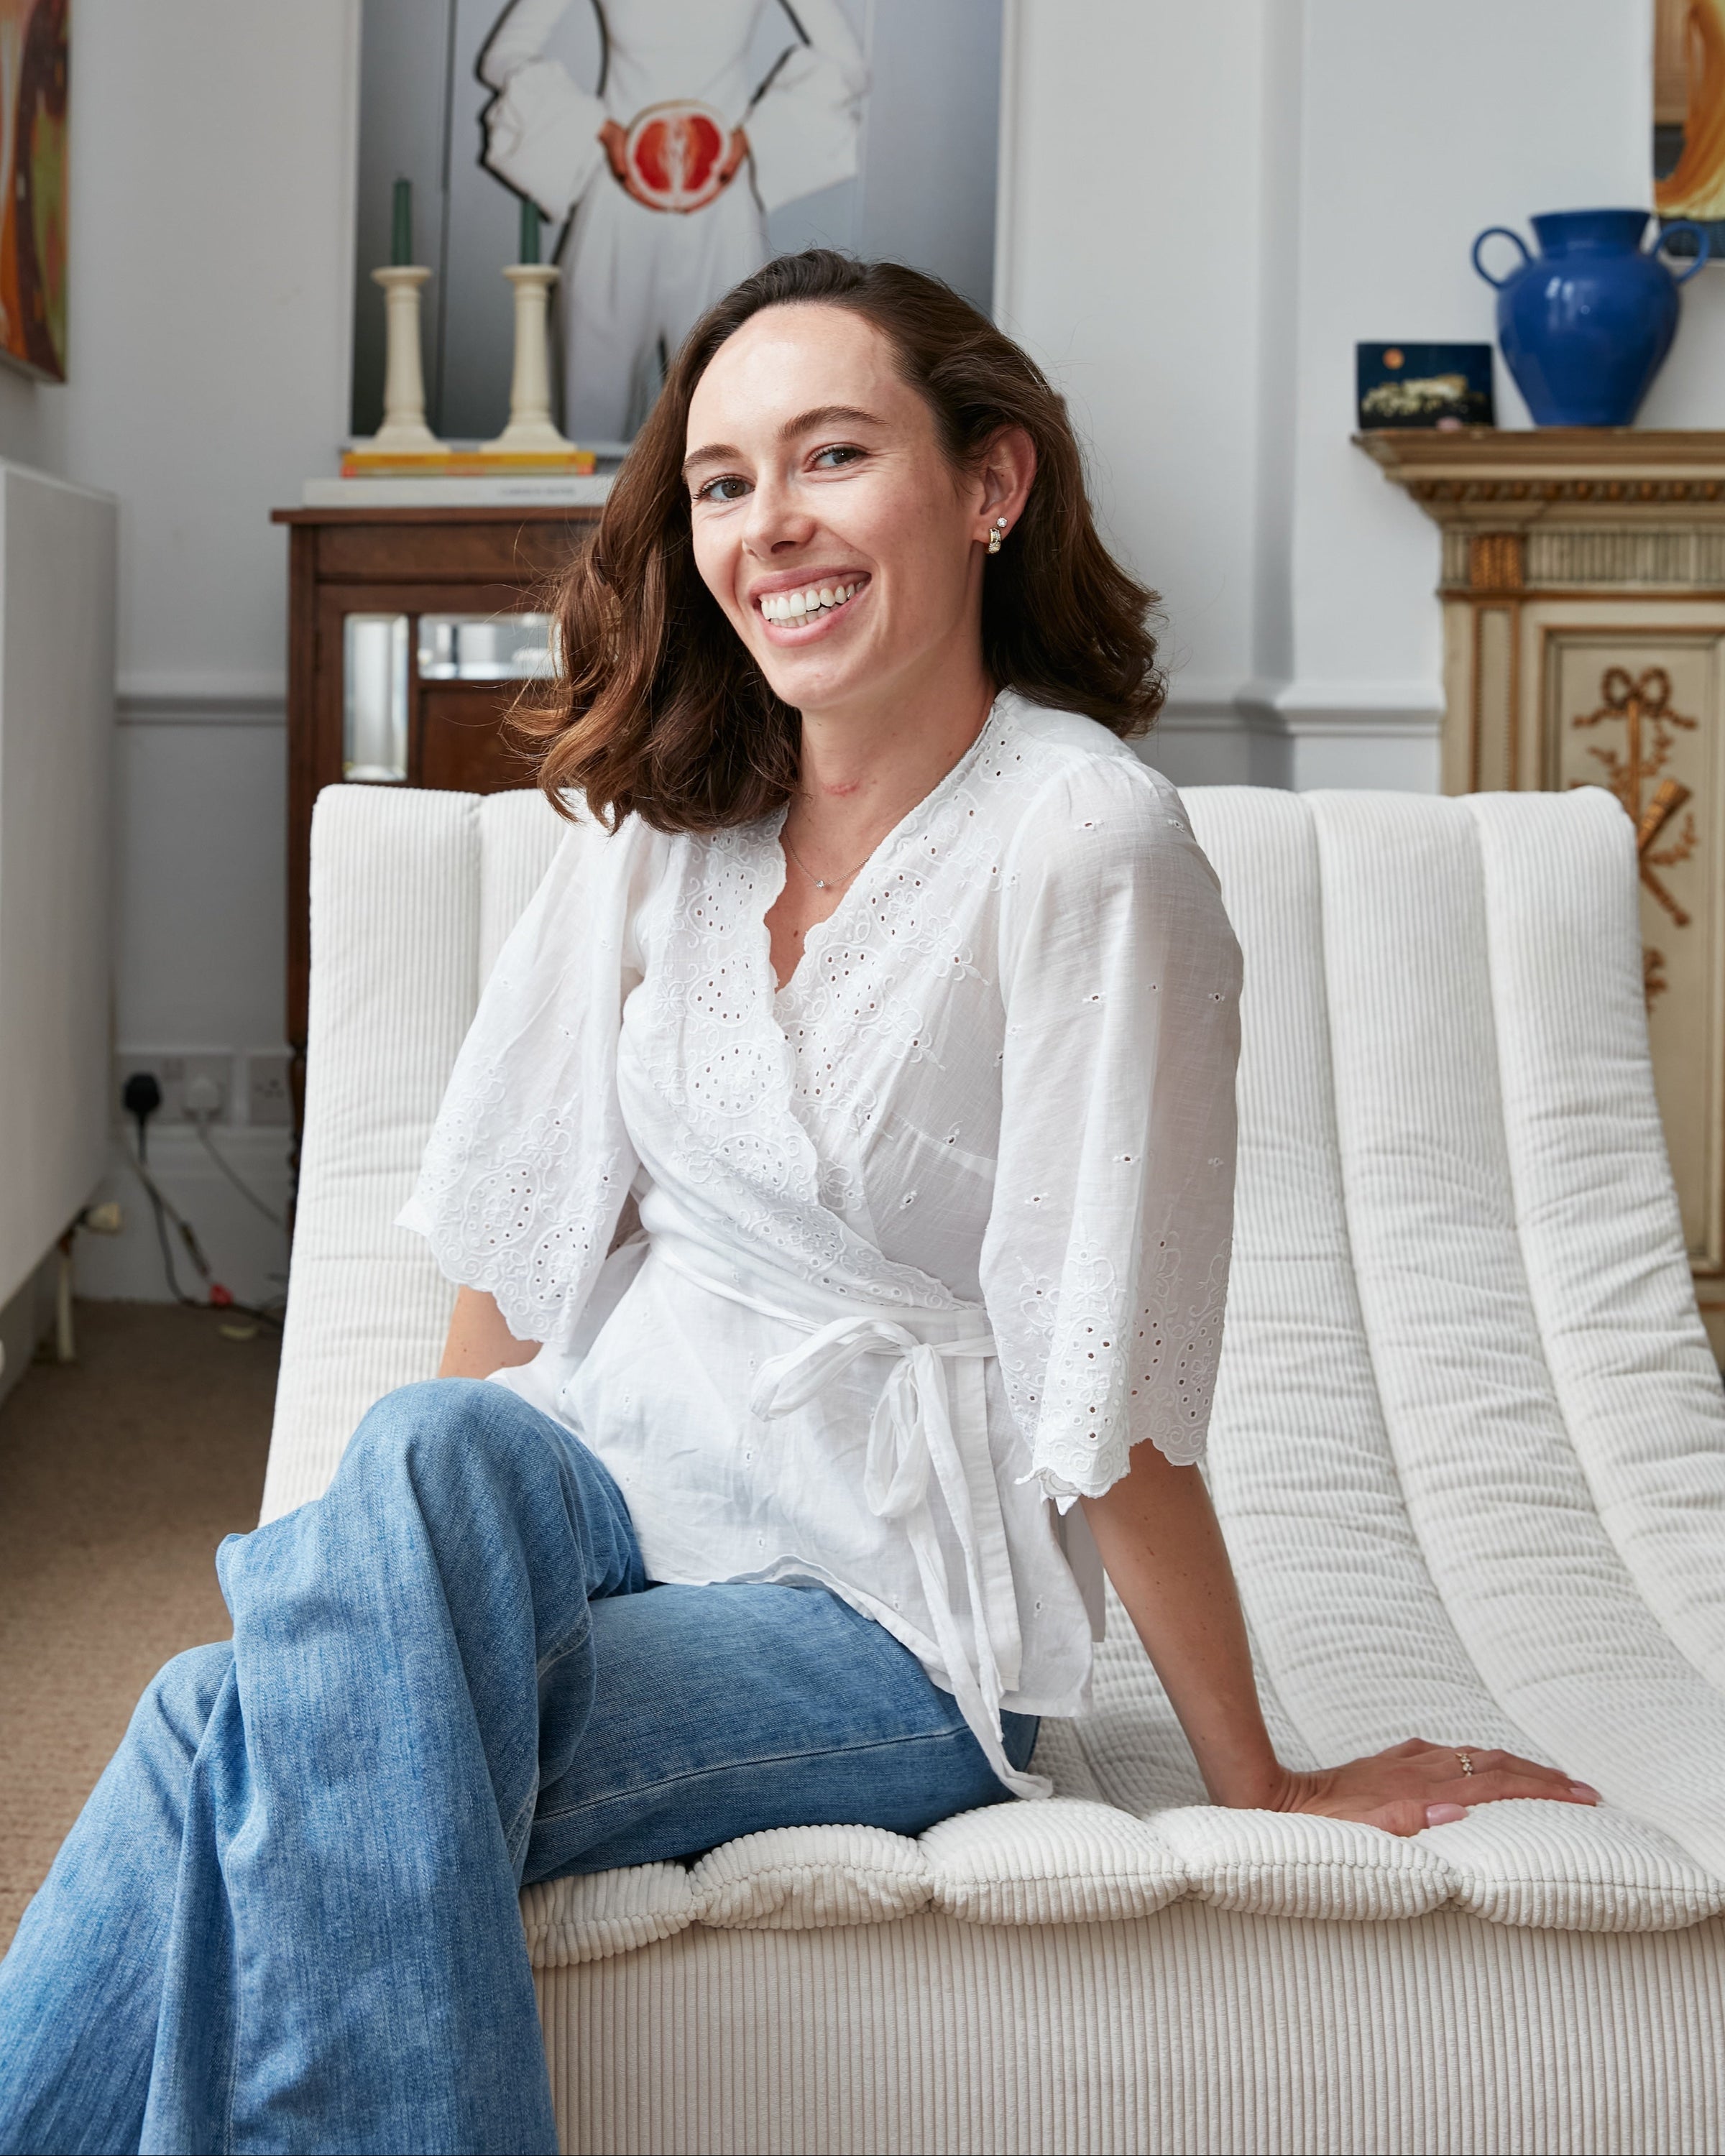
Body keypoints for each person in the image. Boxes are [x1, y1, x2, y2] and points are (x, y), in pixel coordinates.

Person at [0, 252, 1600, 2156]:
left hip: (878, 1608)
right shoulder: (669, 813)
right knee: (420, 1458)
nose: (770, 524)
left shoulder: (1085, 842)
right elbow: (521, 1253)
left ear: (990, 484)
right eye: (723, 480)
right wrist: (370, 1595)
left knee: (219, 1730)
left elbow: (1108, 1374)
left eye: (833, 455)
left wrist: (1257, 1772)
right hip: (603, 1498)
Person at [480, 0, 866, 440]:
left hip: (722, 218)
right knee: (588, 421)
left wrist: (749, 139)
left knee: (729, 420)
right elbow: (504, 57)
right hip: (615, 214)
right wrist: (602, 131)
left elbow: (849, 65)